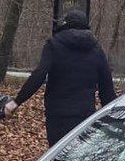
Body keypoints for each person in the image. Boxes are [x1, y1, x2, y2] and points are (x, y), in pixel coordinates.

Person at [15, 8, 115, 146]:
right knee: (76, 157)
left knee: (56, 156)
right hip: (84, 115)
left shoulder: (53, 45)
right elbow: (107, 89)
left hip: (57, 115)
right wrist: (113, 119)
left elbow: (39, 75)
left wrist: (16, 102)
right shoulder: (96, 49)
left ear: (65, 25)